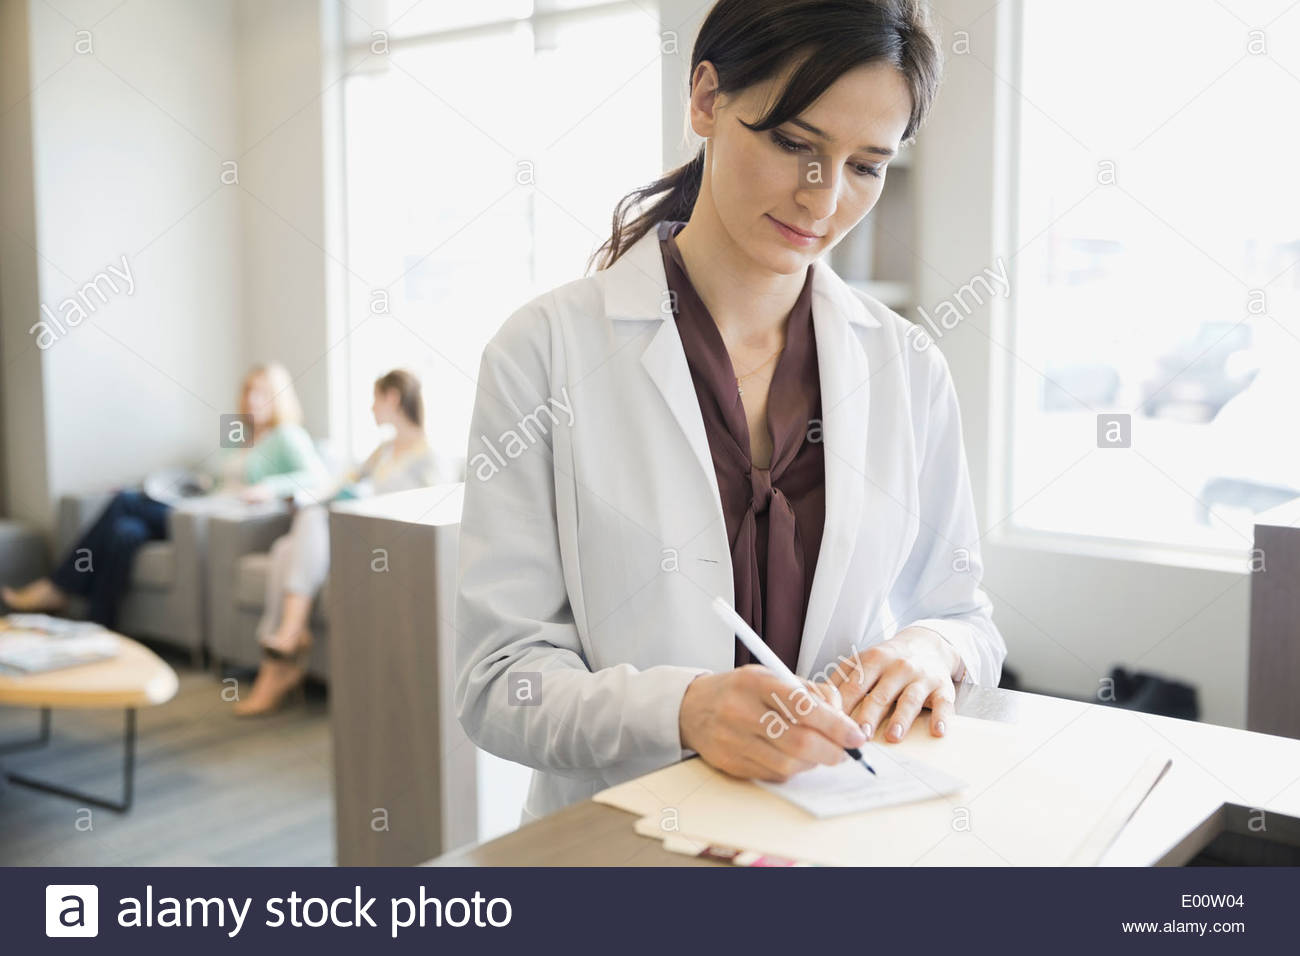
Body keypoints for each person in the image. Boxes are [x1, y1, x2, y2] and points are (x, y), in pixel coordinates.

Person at [455, 0, 1007, 823]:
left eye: (866, 165)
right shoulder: (545, 351)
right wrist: (683, 711)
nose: (823, 201)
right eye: (794, 144)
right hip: (627, 848)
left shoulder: (907, 367)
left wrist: (933, 648)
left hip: (837, 835)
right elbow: (499, 682)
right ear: (707, 99)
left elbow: (966, 619)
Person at [2, 363, 326, 629]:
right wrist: (201, 481)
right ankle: (98, 627)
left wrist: (270, 487)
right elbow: (221, 481)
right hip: (199, 505)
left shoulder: (287, 436)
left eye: (262, 392)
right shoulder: (240, 435)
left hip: (211, 522)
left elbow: (317, 478)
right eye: (249, 391)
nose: (252, 399)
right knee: (123, 532)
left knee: (124, 501)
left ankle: (58, 587)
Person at [234, 369, 445, 716]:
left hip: (388, 545)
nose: (370, 407)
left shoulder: (428, 457)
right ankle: (280, 658)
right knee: (285, 547)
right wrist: (308, 496)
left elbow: (432, 514)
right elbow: (337, 484)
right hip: (355, 535)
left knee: (311, 521)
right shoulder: (383, 451)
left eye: (375, 398)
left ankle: (286, 644)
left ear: (392, 398)